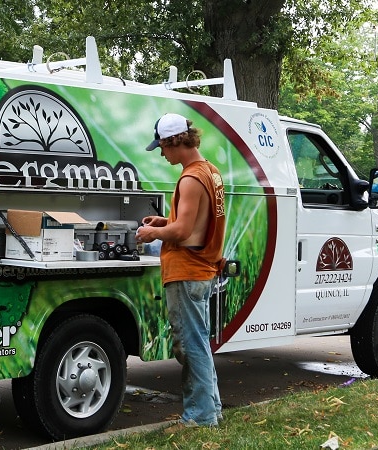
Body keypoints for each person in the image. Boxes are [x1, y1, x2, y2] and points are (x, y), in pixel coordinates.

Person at [135, 112, 226, 428]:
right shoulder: (210, 173)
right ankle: (211, 408)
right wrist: (164, 222)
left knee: (191, 346)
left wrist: (153, 234)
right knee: (198, 342)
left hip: (187, 270)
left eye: (162, 146)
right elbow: (198, 226)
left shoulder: (189, 178)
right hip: (202, 270)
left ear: (175, 141)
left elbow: (185, 231)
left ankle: (200, 417)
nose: (161, 153)